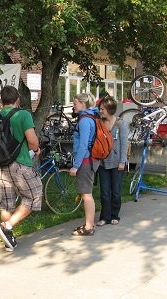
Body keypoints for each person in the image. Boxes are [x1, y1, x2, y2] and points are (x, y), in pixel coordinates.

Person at [0, 85, 42, 252]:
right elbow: (32, 140)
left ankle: (8, 239)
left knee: (7, 202)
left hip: (1, 165)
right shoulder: (23, 115)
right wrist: (36, 150)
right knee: (34, 196)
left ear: (2, 100)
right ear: (17, 99)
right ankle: (7, 226)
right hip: (19, 164)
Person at [70, 93, 100, 236]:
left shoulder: (84, 121)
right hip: (89, 160)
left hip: (85, 161)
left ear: (83, 104)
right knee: (86, 194)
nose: (73, 106)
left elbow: (83, 146)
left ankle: (89, 227)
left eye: (75, 103)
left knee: (86, 195)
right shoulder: (90, 117)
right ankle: (89, 224)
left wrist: (76, 166)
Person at [97, 96, 128, 226]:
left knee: (115, 191)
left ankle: (115, 216)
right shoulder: (100, 123)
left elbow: (124, 144)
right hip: (103, 162)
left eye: (102, 108)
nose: (100, 110)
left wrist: (122, 162)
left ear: (109, 110)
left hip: (117, 164)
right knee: (104, 192)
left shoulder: (121, 124)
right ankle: (105, 217)